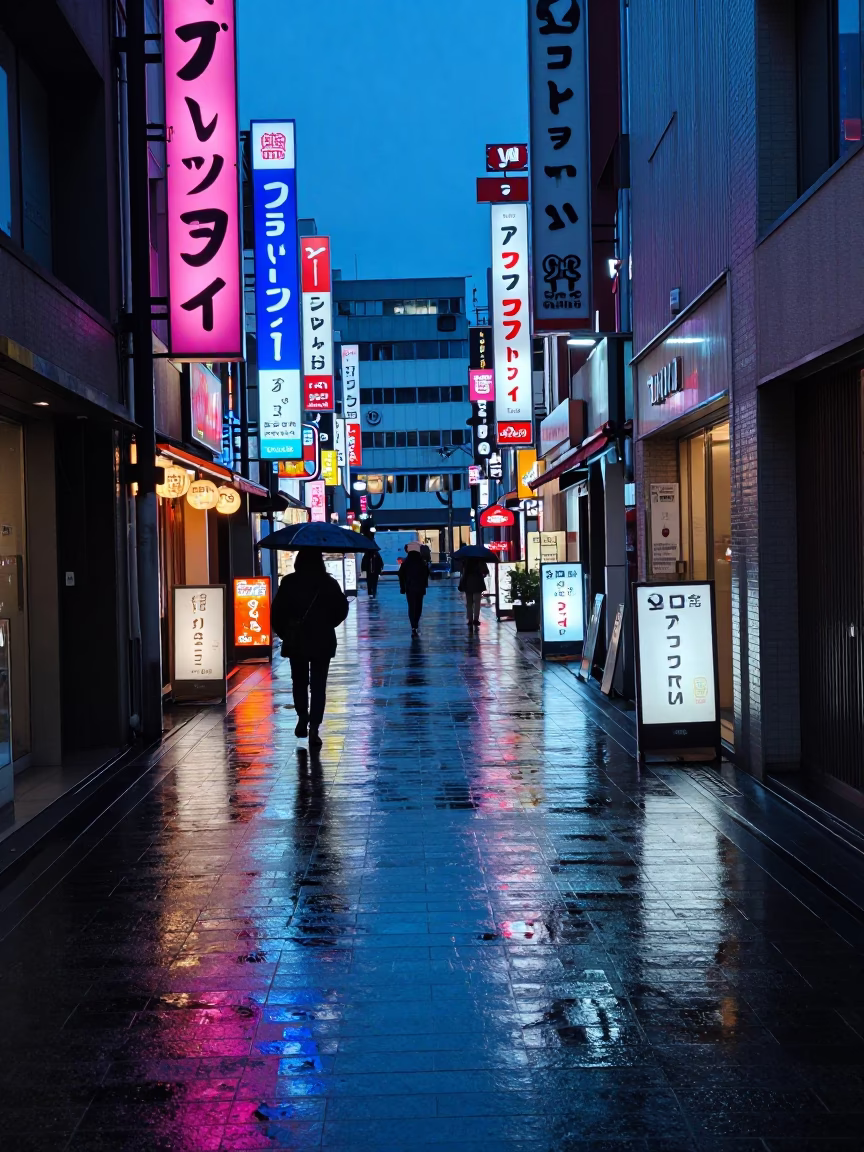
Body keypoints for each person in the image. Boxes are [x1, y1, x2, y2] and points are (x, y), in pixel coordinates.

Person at [271, 550, 349, 748]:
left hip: (296, 640)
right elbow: (342, 609)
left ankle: (302, 717)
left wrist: (285, 633)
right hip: (322, 640)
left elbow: (277, 612)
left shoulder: (289, 582)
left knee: (299, 681)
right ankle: (314, 727)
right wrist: (328, 624)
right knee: (318, 684)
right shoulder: (328, 583)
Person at [398, 542, 429, 635]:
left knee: (411, 606)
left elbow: (400, 575)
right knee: (419, 606)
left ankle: (413, 625)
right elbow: (426, 574)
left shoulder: (406, 563)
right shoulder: (422, 562)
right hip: (420, 587)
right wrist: (425, 585)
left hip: (409, 587)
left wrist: (402, 587)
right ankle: (416, 622)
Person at [458, 557, 488, 629]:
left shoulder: (466, 561)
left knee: (469, 602)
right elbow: (485, 571)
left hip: (468, 583)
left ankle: (470, 619)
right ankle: (476, 619)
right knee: (477, 602)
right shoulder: (480, 560)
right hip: (478, 583)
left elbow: (463, 572)